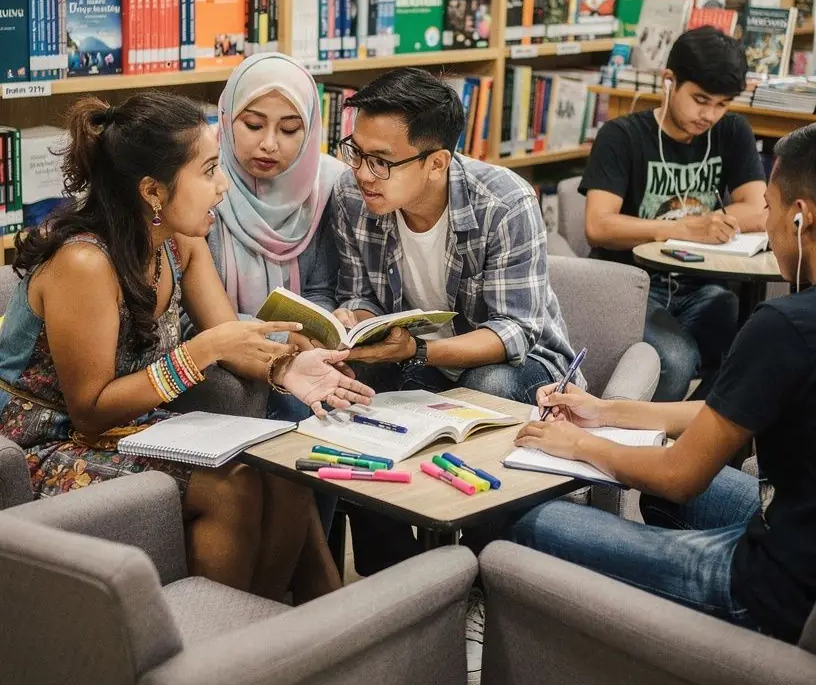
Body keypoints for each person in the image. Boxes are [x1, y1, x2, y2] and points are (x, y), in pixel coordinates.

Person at [1, 92, 372, 601]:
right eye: (210, 170)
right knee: (231, 485)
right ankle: (217, 647)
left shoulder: (180, 242)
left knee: (286, 468)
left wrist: (287, 367)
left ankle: (259, 633)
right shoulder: (83, 264)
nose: (223, 186)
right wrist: (198, 353)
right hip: (40, 446)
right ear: (153, 191)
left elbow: (231, 340)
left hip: (128, 430)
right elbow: (88, 412)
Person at [507, 121, 816, 644]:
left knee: (534, 526)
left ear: (800, 216)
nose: (766, 227)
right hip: (795, 525)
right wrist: (607, 413)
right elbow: (732, 411)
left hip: (775, 588)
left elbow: (679, 475)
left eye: (768, 208)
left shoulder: (782, 326)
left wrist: (579, 444)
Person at [331, 67, 577, 582]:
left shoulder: (504, 201)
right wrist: (357, 322)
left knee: (489, 387)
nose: (362, 173)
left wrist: (417, 352)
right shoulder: (352, 198)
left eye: (381, 161)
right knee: (349, 396)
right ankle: (398, 578)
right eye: (355, 151)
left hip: (519, 364)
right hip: (412, 357)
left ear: (437, 162)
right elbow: (358, 293)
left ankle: (487, 575)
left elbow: (515, 332)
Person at [580, 26, 766, 400]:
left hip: (704, 283)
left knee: (753, 355)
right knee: (677, 360)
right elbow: (598, 226)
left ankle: (692, 444)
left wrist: (713, 222)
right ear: (669, 81)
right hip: (633, 284)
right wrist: (683, 228)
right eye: (700, 99)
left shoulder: (731, 131)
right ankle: (647, 447)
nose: (710, 115)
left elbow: (759, 210)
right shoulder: (622, 135)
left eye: (722, 104)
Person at [210, 51, 343, 425]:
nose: (270, 144)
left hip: (300, 348)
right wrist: (283, 342)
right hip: (218, 346)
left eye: (289, 130)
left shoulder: (327, 186)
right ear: (226, 118)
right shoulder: (201, 186)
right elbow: (190, 316)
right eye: (253, 125)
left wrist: (326, 322)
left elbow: (321, 288)